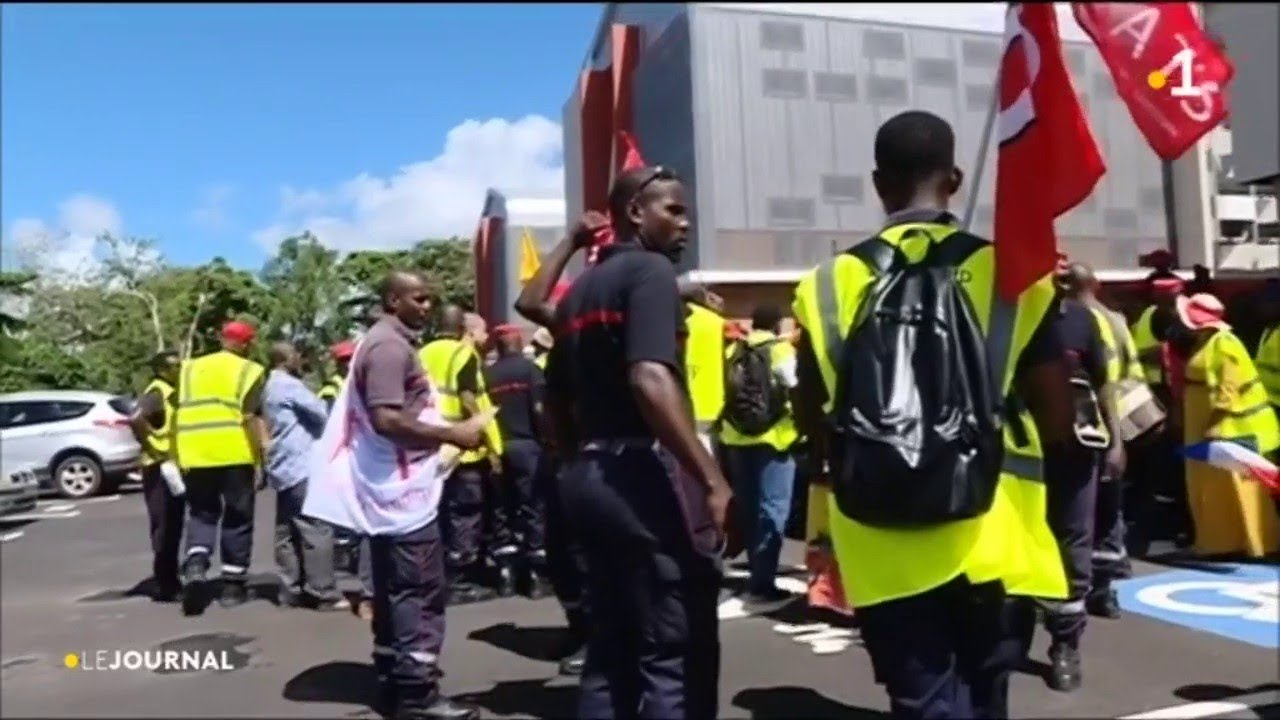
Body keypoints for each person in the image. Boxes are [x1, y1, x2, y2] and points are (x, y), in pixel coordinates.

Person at [791, 110, 1072, 719]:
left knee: (920, 700)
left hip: (878, 532)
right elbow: (1057, 415)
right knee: (986, 693)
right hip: (992, 532)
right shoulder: (1012, 272)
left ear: (877, 182)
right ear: (957, 178)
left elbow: (810, 410)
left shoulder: (825, 284)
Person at [547, 166, 733, 718]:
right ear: (635, 214)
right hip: (639, 479)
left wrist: (574, 458)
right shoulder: (650, 273)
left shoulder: (580, 291)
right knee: (675, 650)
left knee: (611, 649)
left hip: (588, 478)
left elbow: (553, 398)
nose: (685, 222)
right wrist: (714, 481)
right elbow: (649, 377)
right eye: (672, 210)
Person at [348, 270, 493, 720]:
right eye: (418, 299)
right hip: (403, 492)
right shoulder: (390, 347)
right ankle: (417, 695)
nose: (426, 307)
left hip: (392, 487)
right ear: (393, 300)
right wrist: (454, 433)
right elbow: (387, 419)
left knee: (398, 587)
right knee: (418, 588)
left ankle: (396, 677)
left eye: (429, 300)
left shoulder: (384, 343)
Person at [1035, 263, 1127, 692]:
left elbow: (1106, 383)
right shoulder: (1006, 318)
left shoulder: (1082, 320)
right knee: (1024, 541)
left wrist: (1116, 440)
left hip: (1076, 446)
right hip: (1020, 452)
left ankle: (1064, 645)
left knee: (1074, 539)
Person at [171, 320, 268, 615]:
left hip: (195, 451)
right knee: (238, 517)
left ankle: (197, 561)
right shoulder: (249, 370)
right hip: (233, 451)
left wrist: (176, 454)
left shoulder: (188, 368)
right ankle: (233, 586)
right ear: (246, 344)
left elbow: (179, 409)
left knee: (202, 512)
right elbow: (249, 415)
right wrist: (260, 456)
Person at [1173, 293, 1280, 558]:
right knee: (1212, 484)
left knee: (1237, 484)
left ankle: (1253, 543)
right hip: (1203, 420)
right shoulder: (1207, 341)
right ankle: (1218, 541)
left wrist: (1214, 423)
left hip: (1229, 425)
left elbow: (1228, 389)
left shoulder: (1225, 342)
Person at [419, 306, 504, 602]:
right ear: (461, 330)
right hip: (461, 444)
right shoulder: (462, 354)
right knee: (466, 512)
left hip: (429, 441)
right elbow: (468, 396)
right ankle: (460, 582)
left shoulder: (422, 353)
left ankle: (439, 575)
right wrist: (480, 429)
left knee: (438, 511)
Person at [719, 304, 799, 605]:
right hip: (773, 438)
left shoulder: (733, 351)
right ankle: (763, 581)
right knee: (773, 508)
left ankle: (756, 569)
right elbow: (794, 385)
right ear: (778, 324)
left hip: (736, 437)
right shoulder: (780, 352)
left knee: (749, 506)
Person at [263, 341, 347, 612]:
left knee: (287, 530)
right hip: (302, 465)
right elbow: (322, 413)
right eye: (297, 355)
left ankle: (291, 588)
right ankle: (323, 592)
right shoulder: (289, 385)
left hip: (283, 465)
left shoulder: (270, 385)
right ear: (287, 359)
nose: (300, 360)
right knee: (316, 527)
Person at [484, 324, 551, 597]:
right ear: (519, 341)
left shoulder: (486, 375)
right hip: (529, 448)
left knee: (502, 510)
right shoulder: (531, 371)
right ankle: (535, 575)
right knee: (533, 508)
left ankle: (506, 575)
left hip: (498, 448)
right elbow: (539, 411)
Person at [129, 349, 185, 603]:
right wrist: (152, 448)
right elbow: (135, 419)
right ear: (162, 370)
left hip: (171, 466)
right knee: (164, 526)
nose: (179, 370)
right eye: (174, 367)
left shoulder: (172, 393)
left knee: (174, 525)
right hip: (157, 467)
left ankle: (171, 578)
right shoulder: (157, 393)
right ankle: (166, 584)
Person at [318, 340, 356, 410]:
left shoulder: (361, 381)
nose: (349, 363)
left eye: (351, 358)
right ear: (337, 364)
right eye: (344, 360)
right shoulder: (330, 387)